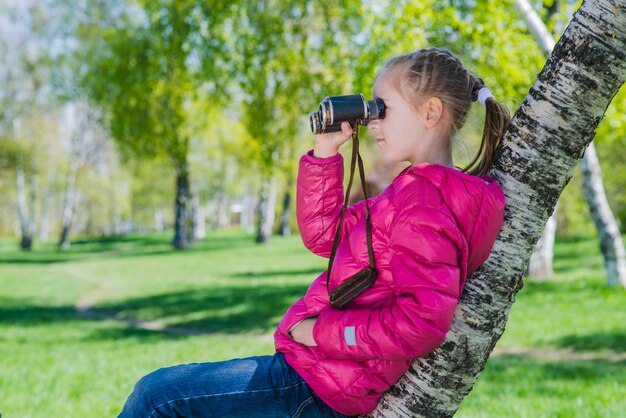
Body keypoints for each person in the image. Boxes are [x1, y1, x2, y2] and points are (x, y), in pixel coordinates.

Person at [118, 47, 509, 418]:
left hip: (322, 383)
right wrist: (325, 154)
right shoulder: (411, 195)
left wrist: (318, 332)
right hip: (321, 374)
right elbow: (326, 234)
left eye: (382, 108)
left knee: (156, 398)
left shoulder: (423, 203)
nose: (371, 120)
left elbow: (420, 323)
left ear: (431, 112)